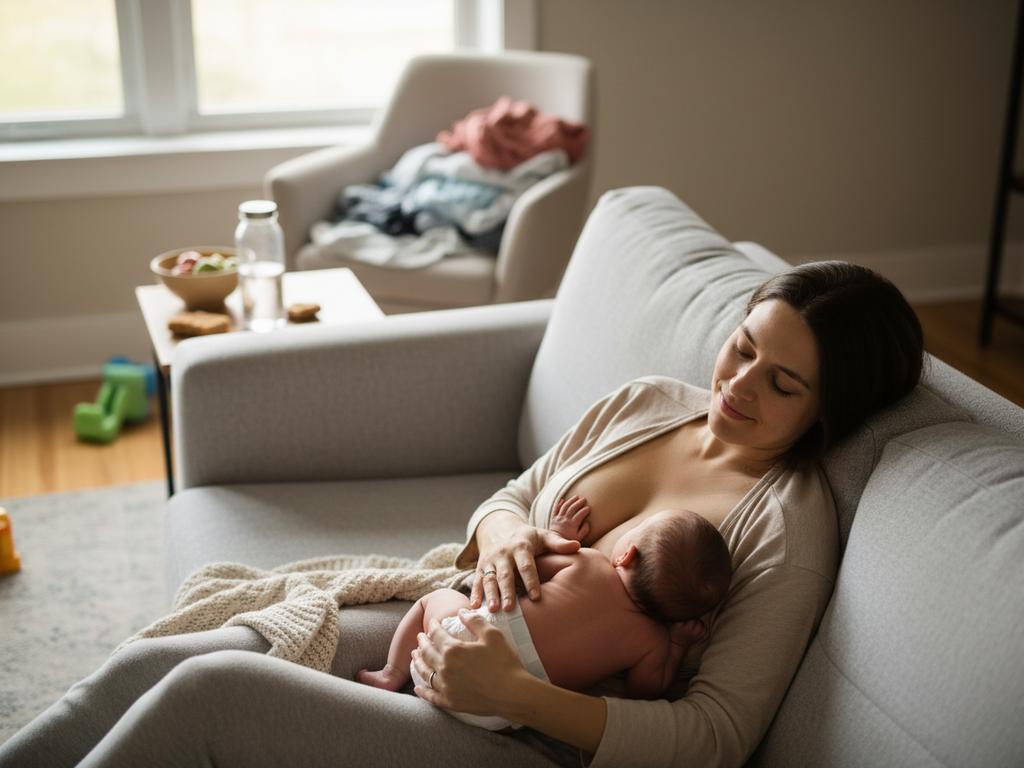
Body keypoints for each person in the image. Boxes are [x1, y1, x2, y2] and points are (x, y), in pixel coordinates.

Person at [0, 261, 924, 768]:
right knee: (167, 661)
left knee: (212, 700)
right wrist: (509, 532)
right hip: (450, 615)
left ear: (827, 412)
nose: (738, 386)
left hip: (525, 734)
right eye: (742, 346)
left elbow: (716, 738)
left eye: (783, 381)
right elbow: (514, 499)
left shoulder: (785, 530)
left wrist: (519, 695)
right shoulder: (649, 404)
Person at [356, 498, 732, 731]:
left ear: (627, 554)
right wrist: (678, 645)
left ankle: (391, 675)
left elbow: (527, 564)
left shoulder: (589, 563)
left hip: (462, 639)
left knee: (433, 599)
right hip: (502, 713)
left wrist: (558, 533)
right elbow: (647, 691)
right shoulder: (651, 642)